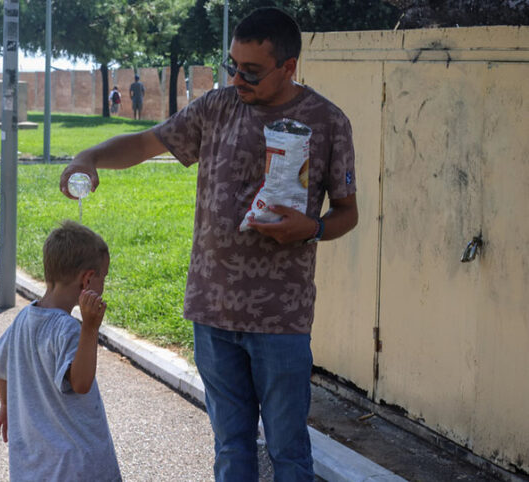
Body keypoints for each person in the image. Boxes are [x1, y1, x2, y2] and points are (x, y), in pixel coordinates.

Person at [60, 7, 358, 481]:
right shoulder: (217, 108)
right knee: (230, 448)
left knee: (289, 451)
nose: (238, 78)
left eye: (252, 71)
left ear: (289, 67)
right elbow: (145, 144)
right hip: (212, 313)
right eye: (232, 65)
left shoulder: (327, 121)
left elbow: (348, 212)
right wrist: (89, 156)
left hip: (280, 318)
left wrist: (313, 228)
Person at [0, 221, 121, 482]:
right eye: (104, 276)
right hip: (79, 468)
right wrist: (90, 328)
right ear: (87, 279)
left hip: (35, 468)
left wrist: (6, 403)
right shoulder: (68, 329)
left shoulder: (24, 318)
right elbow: (80, 383)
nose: (104, 283)